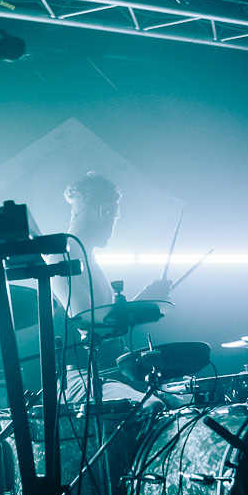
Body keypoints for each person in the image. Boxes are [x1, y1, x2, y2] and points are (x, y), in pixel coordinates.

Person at [53, 172, 171, 407]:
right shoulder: (60, 257)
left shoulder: (91, 260)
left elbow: (109, 322)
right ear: (104, 211)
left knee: (179, 401)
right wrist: (143, 306)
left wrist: (146, 300)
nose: (114, 225)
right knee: (153, 407)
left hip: (110, 373)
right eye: (116, 217)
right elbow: (88, 323)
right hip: (81, 379)